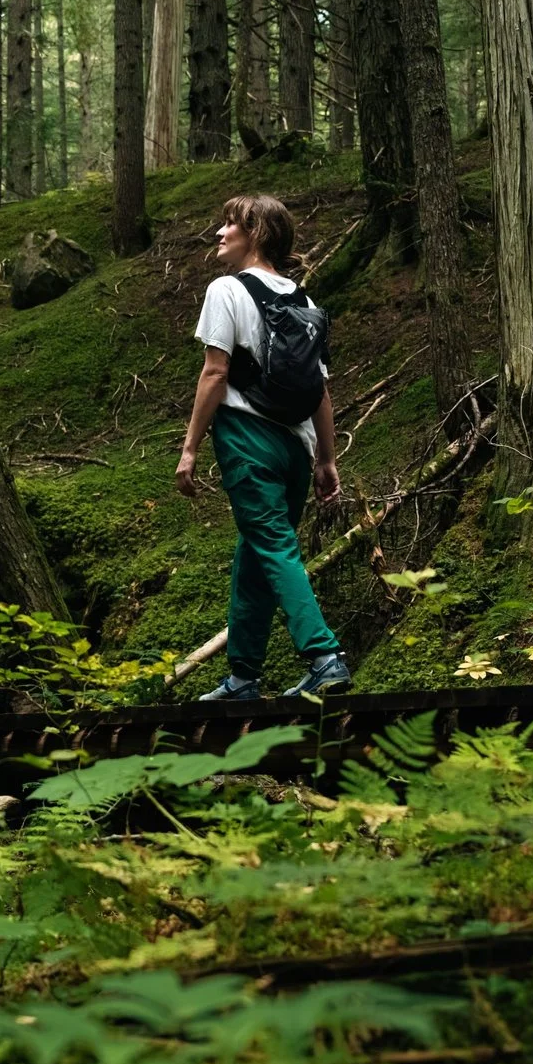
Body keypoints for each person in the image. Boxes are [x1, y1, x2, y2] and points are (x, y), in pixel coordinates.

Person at [175, 194, 352, 701]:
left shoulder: (226, 289)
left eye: (229, 224)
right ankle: (243, 677)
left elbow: (215, 373)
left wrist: (190, 448)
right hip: (296, 448)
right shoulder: (306, 304)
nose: (219, 232)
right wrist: (326, 460)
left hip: (247, 440)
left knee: (272, 545)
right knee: (256, 554)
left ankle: (324, 656)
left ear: (255, 233)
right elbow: (320, 392)